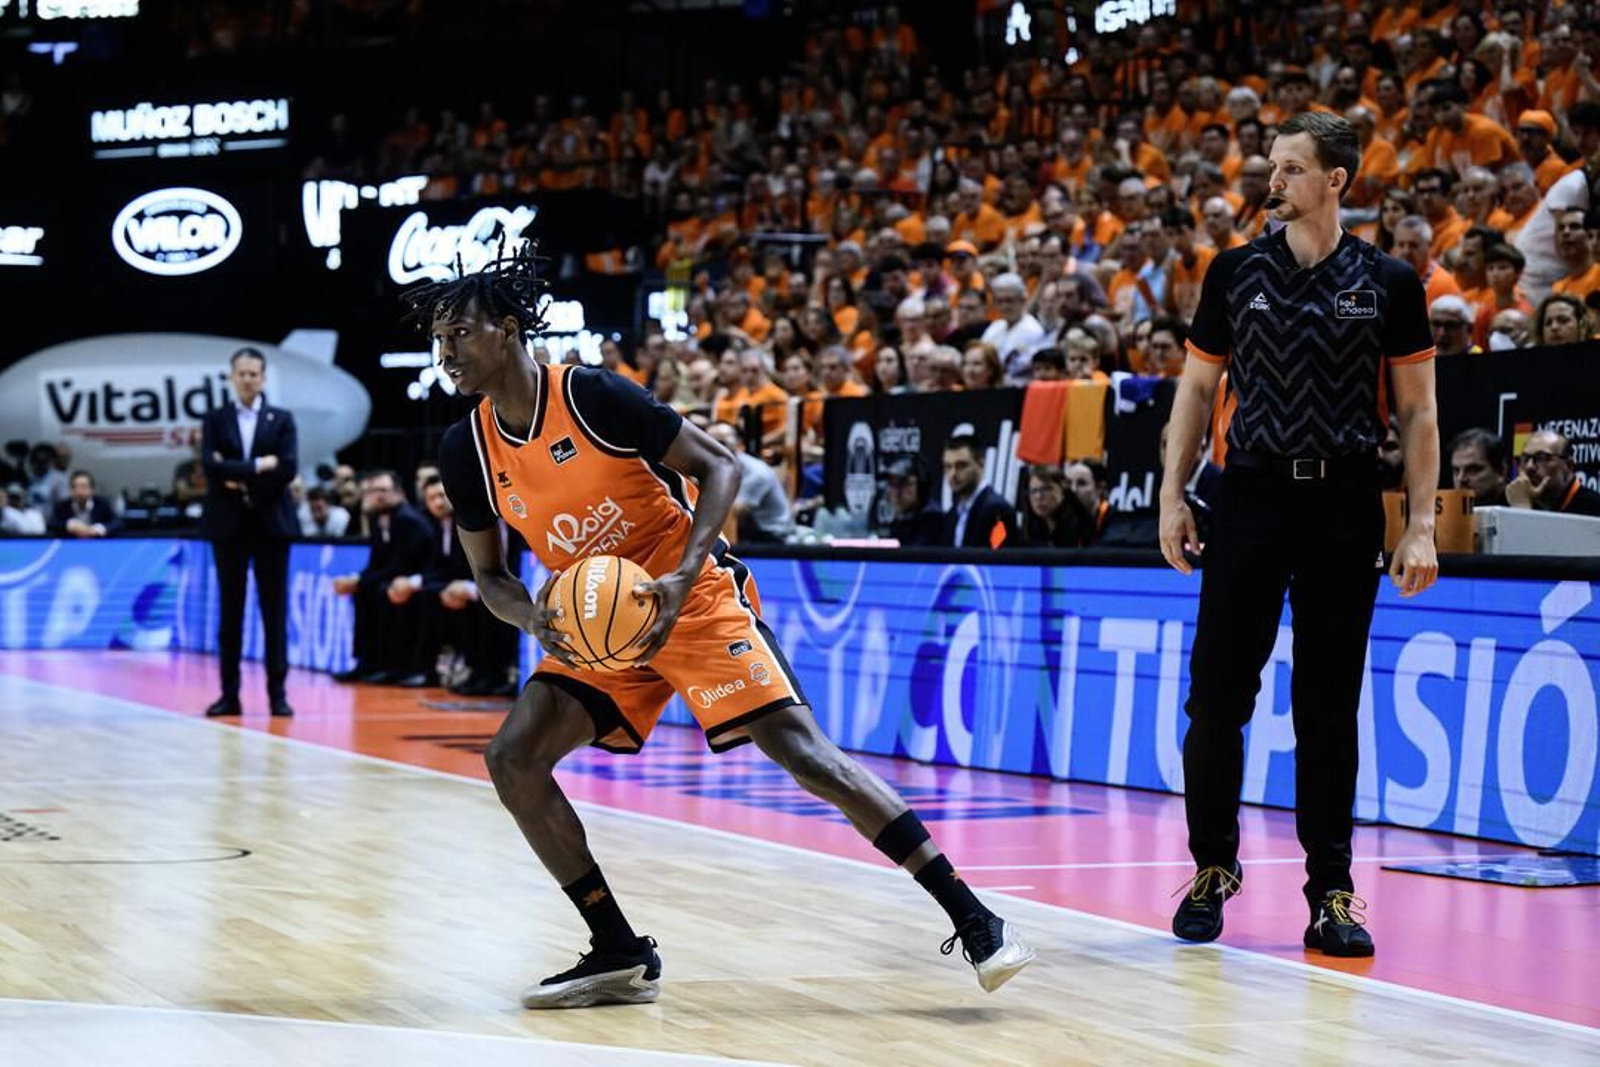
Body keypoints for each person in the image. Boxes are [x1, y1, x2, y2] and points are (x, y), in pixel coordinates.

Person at [408, 244, 1033, 1008]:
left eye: (460, 334)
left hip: (689, 593)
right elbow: (492, 578)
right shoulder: (463, 448)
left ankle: (976, 918)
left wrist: (681, 574)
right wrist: (533, 617)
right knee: (513, 757)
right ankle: (618, 948)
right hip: (598, 619)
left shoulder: (595, 396)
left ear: (507, 329)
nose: (446, 354)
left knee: (807, 757)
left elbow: (720, 466)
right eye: (438, 340)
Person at [1158, 112, 1439, 959]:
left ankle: (1332, 891)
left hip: (1346, 504)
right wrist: (1174, 495)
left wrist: (1420, 521)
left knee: (1327, 708)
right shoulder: (1235, 271)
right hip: (1247, 500)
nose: (1269, 182)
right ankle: (1214, 866)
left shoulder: (1390, 281)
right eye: (1271, 168)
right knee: (1216, 700)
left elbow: (1421, 413)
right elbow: (1197, 394)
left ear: (1336, 181)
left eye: (1288, 169)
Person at [199, 347, 300, 719]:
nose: (247, 380)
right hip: (229, 528)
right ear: (231, 376)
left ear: (263, 377)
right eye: (241, 373)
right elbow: (210, 466)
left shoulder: (282, 419)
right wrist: (260, 465)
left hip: (271, 526)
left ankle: (278, 695)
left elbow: (287, 467)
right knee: (231, 613)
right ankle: (229, 695)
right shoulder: (215, 418)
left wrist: (237, 473)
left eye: (254, 374)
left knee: (274, 614)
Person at [389, 475, 516, 695]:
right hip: (478, 583)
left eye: (441, 495)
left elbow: (503, 564)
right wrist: (415, 582)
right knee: (432, 596)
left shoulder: (479, 521)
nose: (438, 502)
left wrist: (467, 587)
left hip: (506, 583)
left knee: (479, 603)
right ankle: (458, 670)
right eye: (431, 498)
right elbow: (444, 567)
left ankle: (494, 674)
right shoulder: (441, 525)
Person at [331, 470, 435, 685]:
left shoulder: (408, 520)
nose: (376, 496)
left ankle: (395, 665)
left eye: (382, 491)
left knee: (381, 592)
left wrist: (360, 581)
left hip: (418, 579)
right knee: (363, 593)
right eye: (370, 491)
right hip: (394, 578)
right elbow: (377, 563)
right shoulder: (378, 519)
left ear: (398, 493)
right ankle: (366, 662)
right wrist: (356, 580)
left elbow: (401, 565)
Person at [706, 421, 793, 543]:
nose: (715, 447)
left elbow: (732, 513)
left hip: (773, 536)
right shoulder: (721, 466)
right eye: (710, 442)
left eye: (722, 443)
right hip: (751, 531)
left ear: (739, 443)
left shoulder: (756, 472)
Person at [939, 434, 1017, 549]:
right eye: (948, 467)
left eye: (961, 466)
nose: (953, 474)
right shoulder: (952, 514)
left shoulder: (997, 510)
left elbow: (1001, 560)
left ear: (981, 464)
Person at [1506, 430, 1600, 516]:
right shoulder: (1515, 500)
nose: (1529, 466)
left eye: (1541, 458)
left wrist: (1522, 510)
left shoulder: (1595, 508)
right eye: (1525, 459)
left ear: (1569, 465)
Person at [1020, 465, 1091, 547]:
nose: (1038, 496)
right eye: (1033, 491)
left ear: (1062, 490)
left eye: (1046, 489)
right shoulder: (1029, 529)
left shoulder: (1080, 524)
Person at [882, 454, 943, 546]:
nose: (897, 493)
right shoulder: (901, 521)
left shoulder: (933, 520)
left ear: (922, 486)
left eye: (904, 484)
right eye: (892, 484)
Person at [1447, 428, 1508, 507]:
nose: (1461, 478)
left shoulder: (1520, 508)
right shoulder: (1447, 512)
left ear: (1501, 472)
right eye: (1456, 470)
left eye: (1473, 470)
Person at [49, 470, 119, 538]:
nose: (80, 491)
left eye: (84, 487)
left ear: (92, 489)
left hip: (97, 543)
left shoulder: (102, 504)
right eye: (76, 487)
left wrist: (98, 529)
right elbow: (52, 524)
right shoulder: (62, 506)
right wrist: (68, 526)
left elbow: (117, 523)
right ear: (71, 490)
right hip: (71, 543)